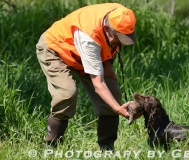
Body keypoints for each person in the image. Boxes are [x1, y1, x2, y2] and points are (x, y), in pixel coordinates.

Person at [36, 3, 140, 151]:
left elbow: (110, 44)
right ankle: (50, 147)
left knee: (113, 93)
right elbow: (98, 84)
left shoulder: (122, 15)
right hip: (56, 49)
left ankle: (107, 150)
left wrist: (108, 64)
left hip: (82, 53)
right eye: (118, 38)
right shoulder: (89, 38)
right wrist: (118, 109)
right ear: (106, 29)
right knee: (67, 94)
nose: (120, 42)